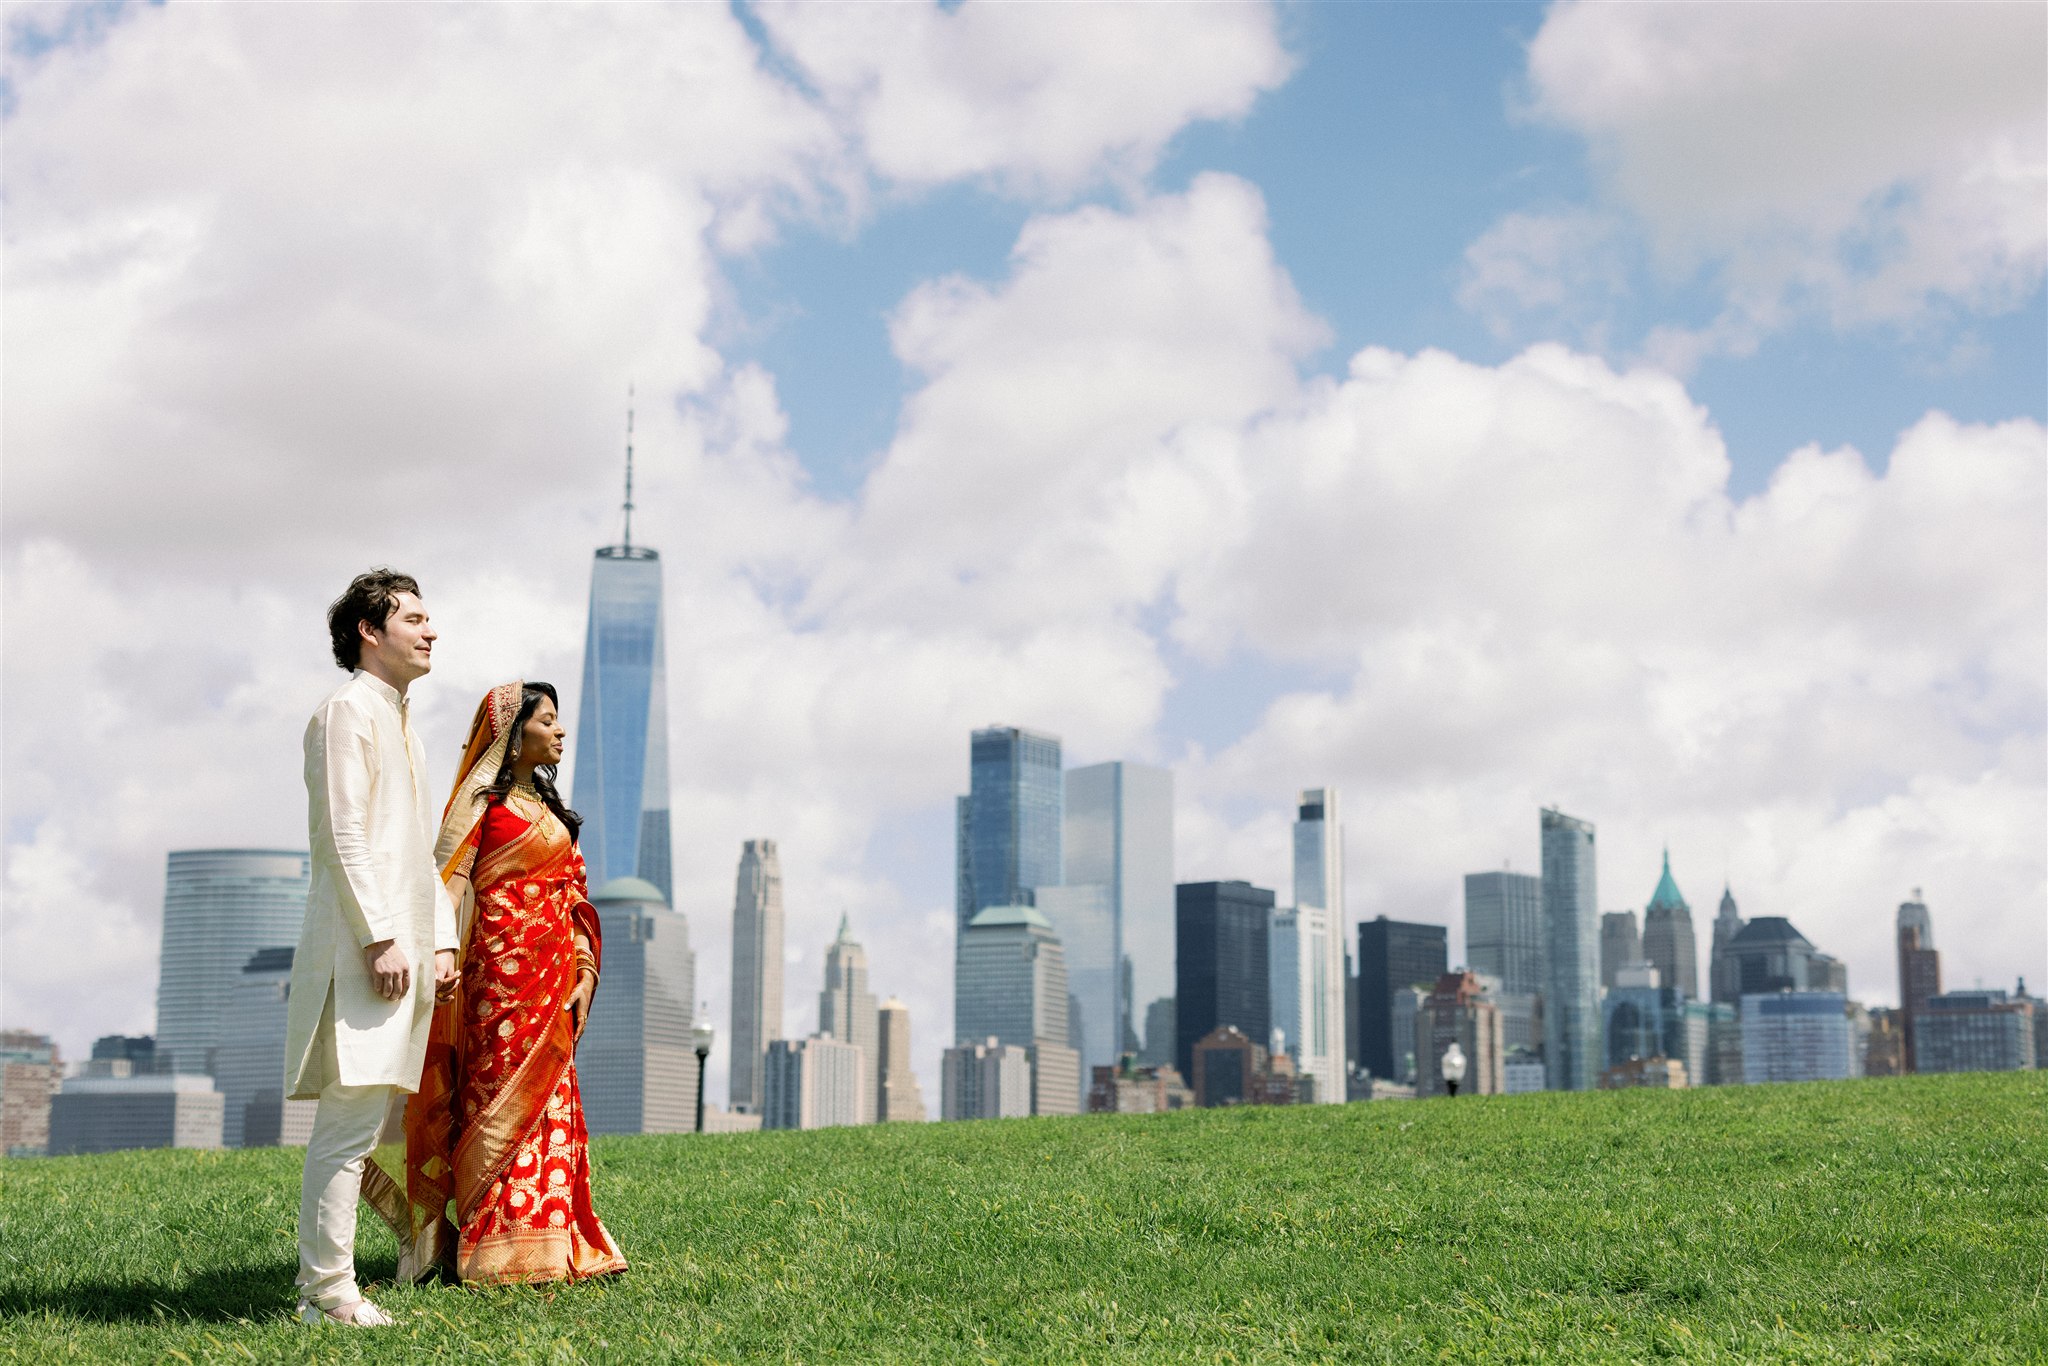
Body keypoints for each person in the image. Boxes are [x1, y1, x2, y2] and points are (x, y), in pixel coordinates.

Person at [397, 680, 627, 1285]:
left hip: (554, 980)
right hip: (495, 983)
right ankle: (487, 1247)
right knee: (492, 1099)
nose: (560, 731)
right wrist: (441, 958)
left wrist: (584, 970)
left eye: (559, 720)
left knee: (552, 1099)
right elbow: (445, 884)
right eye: (547, 720)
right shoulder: (479, 802)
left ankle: (556, 1241)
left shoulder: (551, 810)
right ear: (511, 731)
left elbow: (576, 897)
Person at [284, 569, 461, 1328]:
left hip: (401, 956)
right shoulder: (346, 713)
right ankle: (327, 1295)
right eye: (414, 618)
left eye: (430, 619)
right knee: (348, 1128)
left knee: (360, 1125)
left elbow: (414, 851)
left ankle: (330, 1289)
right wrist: (382, 937)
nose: (431, 631)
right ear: (369, 629)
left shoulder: (400, 723)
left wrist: (443, 943)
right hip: (366, 954)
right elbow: (342, 836)